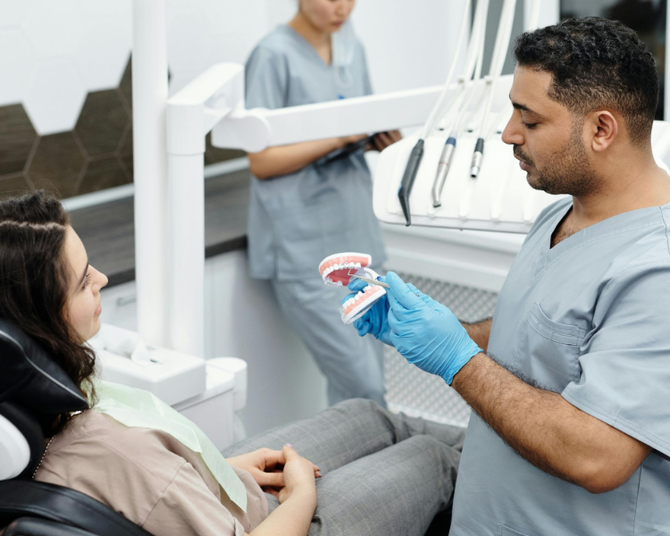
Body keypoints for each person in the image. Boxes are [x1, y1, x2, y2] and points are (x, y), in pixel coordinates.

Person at [347, 17, 670, 535]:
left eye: (531, 120)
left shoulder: (657, 268)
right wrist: (431, 328)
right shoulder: (560, 215)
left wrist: (457, 359)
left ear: (601, 129)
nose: (507, 134)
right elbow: (536, 338)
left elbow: (598, 456)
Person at [0, 191, 463, 536]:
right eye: (83, 282)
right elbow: (136, 474)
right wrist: (302, 492)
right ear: (42, 315)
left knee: (368, 415)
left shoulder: (43, 398)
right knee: (433, 459)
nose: (101, 279)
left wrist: (210, 468)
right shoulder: (107, 450)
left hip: (226, 498)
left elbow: (146, 486)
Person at [244, 0, 401, 407]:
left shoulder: (352, 46)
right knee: (363, 387)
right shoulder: (272, 55)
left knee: (366, 389)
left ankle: (358, 469)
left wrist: (383, 138)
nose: (342, 7)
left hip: (356, 234)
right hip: (302, 244)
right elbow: (261, 161)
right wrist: (338, 137)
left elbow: (362, 120)